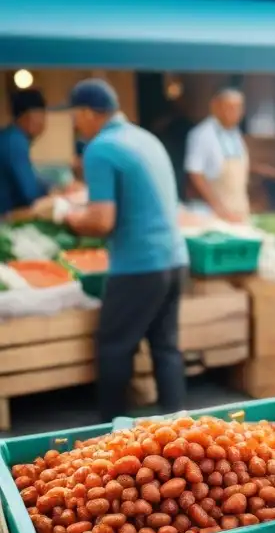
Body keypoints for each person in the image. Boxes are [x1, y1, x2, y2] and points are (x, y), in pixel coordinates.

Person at [58, 79, 188, 421]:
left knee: (114, 347)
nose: (75, 123)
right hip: (174, 258)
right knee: (166, 349)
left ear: (87, 112)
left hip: (138, 264)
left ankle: (111, 433)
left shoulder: (100, 147)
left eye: (75, 115)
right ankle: (180, 430)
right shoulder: (145, 137)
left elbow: (101, 220)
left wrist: (67, 216)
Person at [184, 88, 249, 221]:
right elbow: (195, 174)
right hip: (213, 213)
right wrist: (218, 208)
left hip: (239, 211)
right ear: (215, 107)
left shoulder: (236, 135)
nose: (235, 112)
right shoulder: (202, 134)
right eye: (229, 107)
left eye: (238, 108)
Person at [0, 89, 49, 218]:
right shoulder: (15, 142)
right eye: (42, 115)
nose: (44, 123)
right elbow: (29, 193)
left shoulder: (9, 137)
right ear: (30, 116)